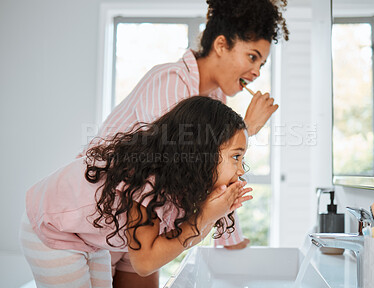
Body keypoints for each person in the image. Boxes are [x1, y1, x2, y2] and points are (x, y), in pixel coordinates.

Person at [80, 0, 289, 286]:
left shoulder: (215, 102)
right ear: (220, 45)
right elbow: (175, 160)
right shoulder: (170, 80)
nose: (257, 72)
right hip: (101, 216)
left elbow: (220, 173)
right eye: (252, 57)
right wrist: (247, 128)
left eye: (262, 64)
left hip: (145, 218)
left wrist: (230, 240)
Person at [20, 96, 253, 288]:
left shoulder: (179, 184)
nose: (241, 168)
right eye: (236, 156)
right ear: (201, 153)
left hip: (86, 238)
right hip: (52, 226)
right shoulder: (148, 181)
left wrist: (208, 215)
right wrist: (205, 217)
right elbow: (144, 262)